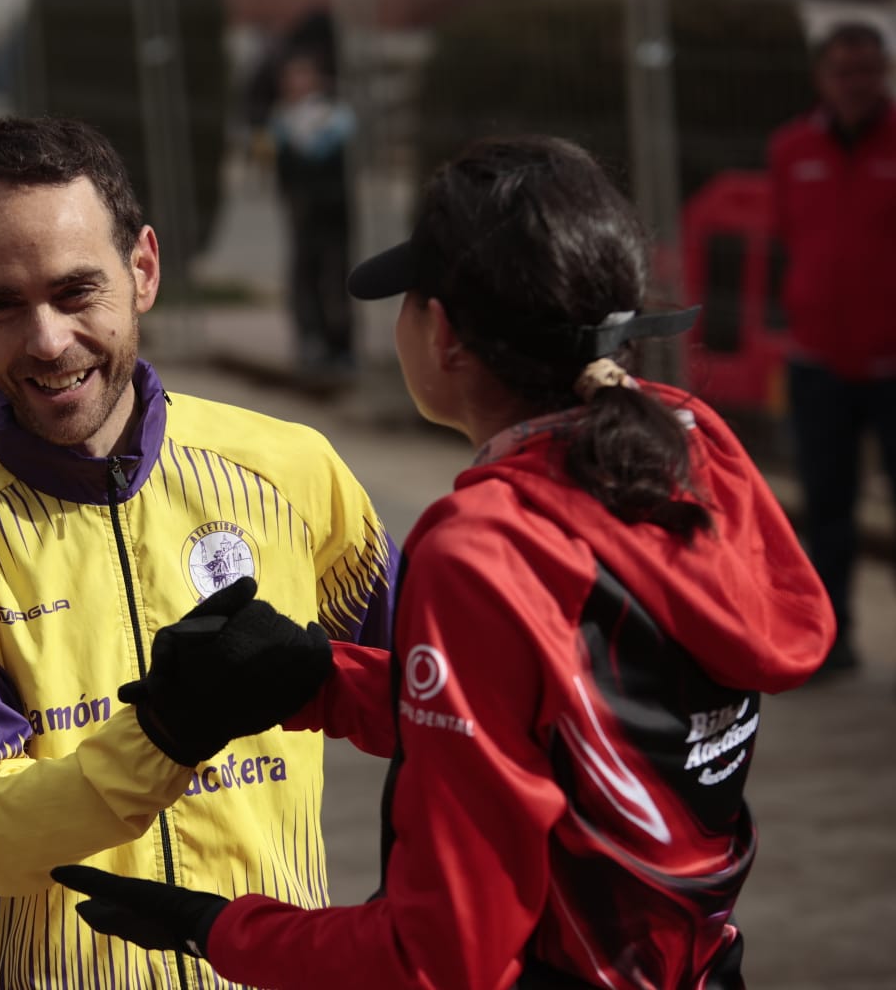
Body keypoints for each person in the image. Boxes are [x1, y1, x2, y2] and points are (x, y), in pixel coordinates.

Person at [52, 135, 836, 989]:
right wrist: (316, 681)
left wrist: (218, 927)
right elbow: (575, 725)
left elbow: (440, 955)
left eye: (406, 299)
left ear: (447, 335)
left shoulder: (484, 546)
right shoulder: (684, 444)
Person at [0, 115, 396, 989]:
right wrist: (166, 734)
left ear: (143, 270)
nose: (48, 340)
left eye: (75, 291)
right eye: (3, 304)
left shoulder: (294, 472)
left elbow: (442, 705)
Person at [768, 20, 896, 679]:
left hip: (891, 367)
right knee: (826, 508)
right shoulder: (791, 148)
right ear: (823, 78)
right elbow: (789, 238)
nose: (859, 83)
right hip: (817, 361)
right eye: (845, 71)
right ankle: (832, 639)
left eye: (870, 70)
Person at [270, 50, 356, 377]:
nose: (296, 83)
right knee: (304, 278)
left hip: (333, 215)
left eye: (303, 75)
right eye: (292, 76)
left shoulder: (335, 121)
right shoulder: (283, 122)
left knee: (336, 278)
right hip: (301, 214)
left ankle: (341, 346)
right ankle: (311, 342)